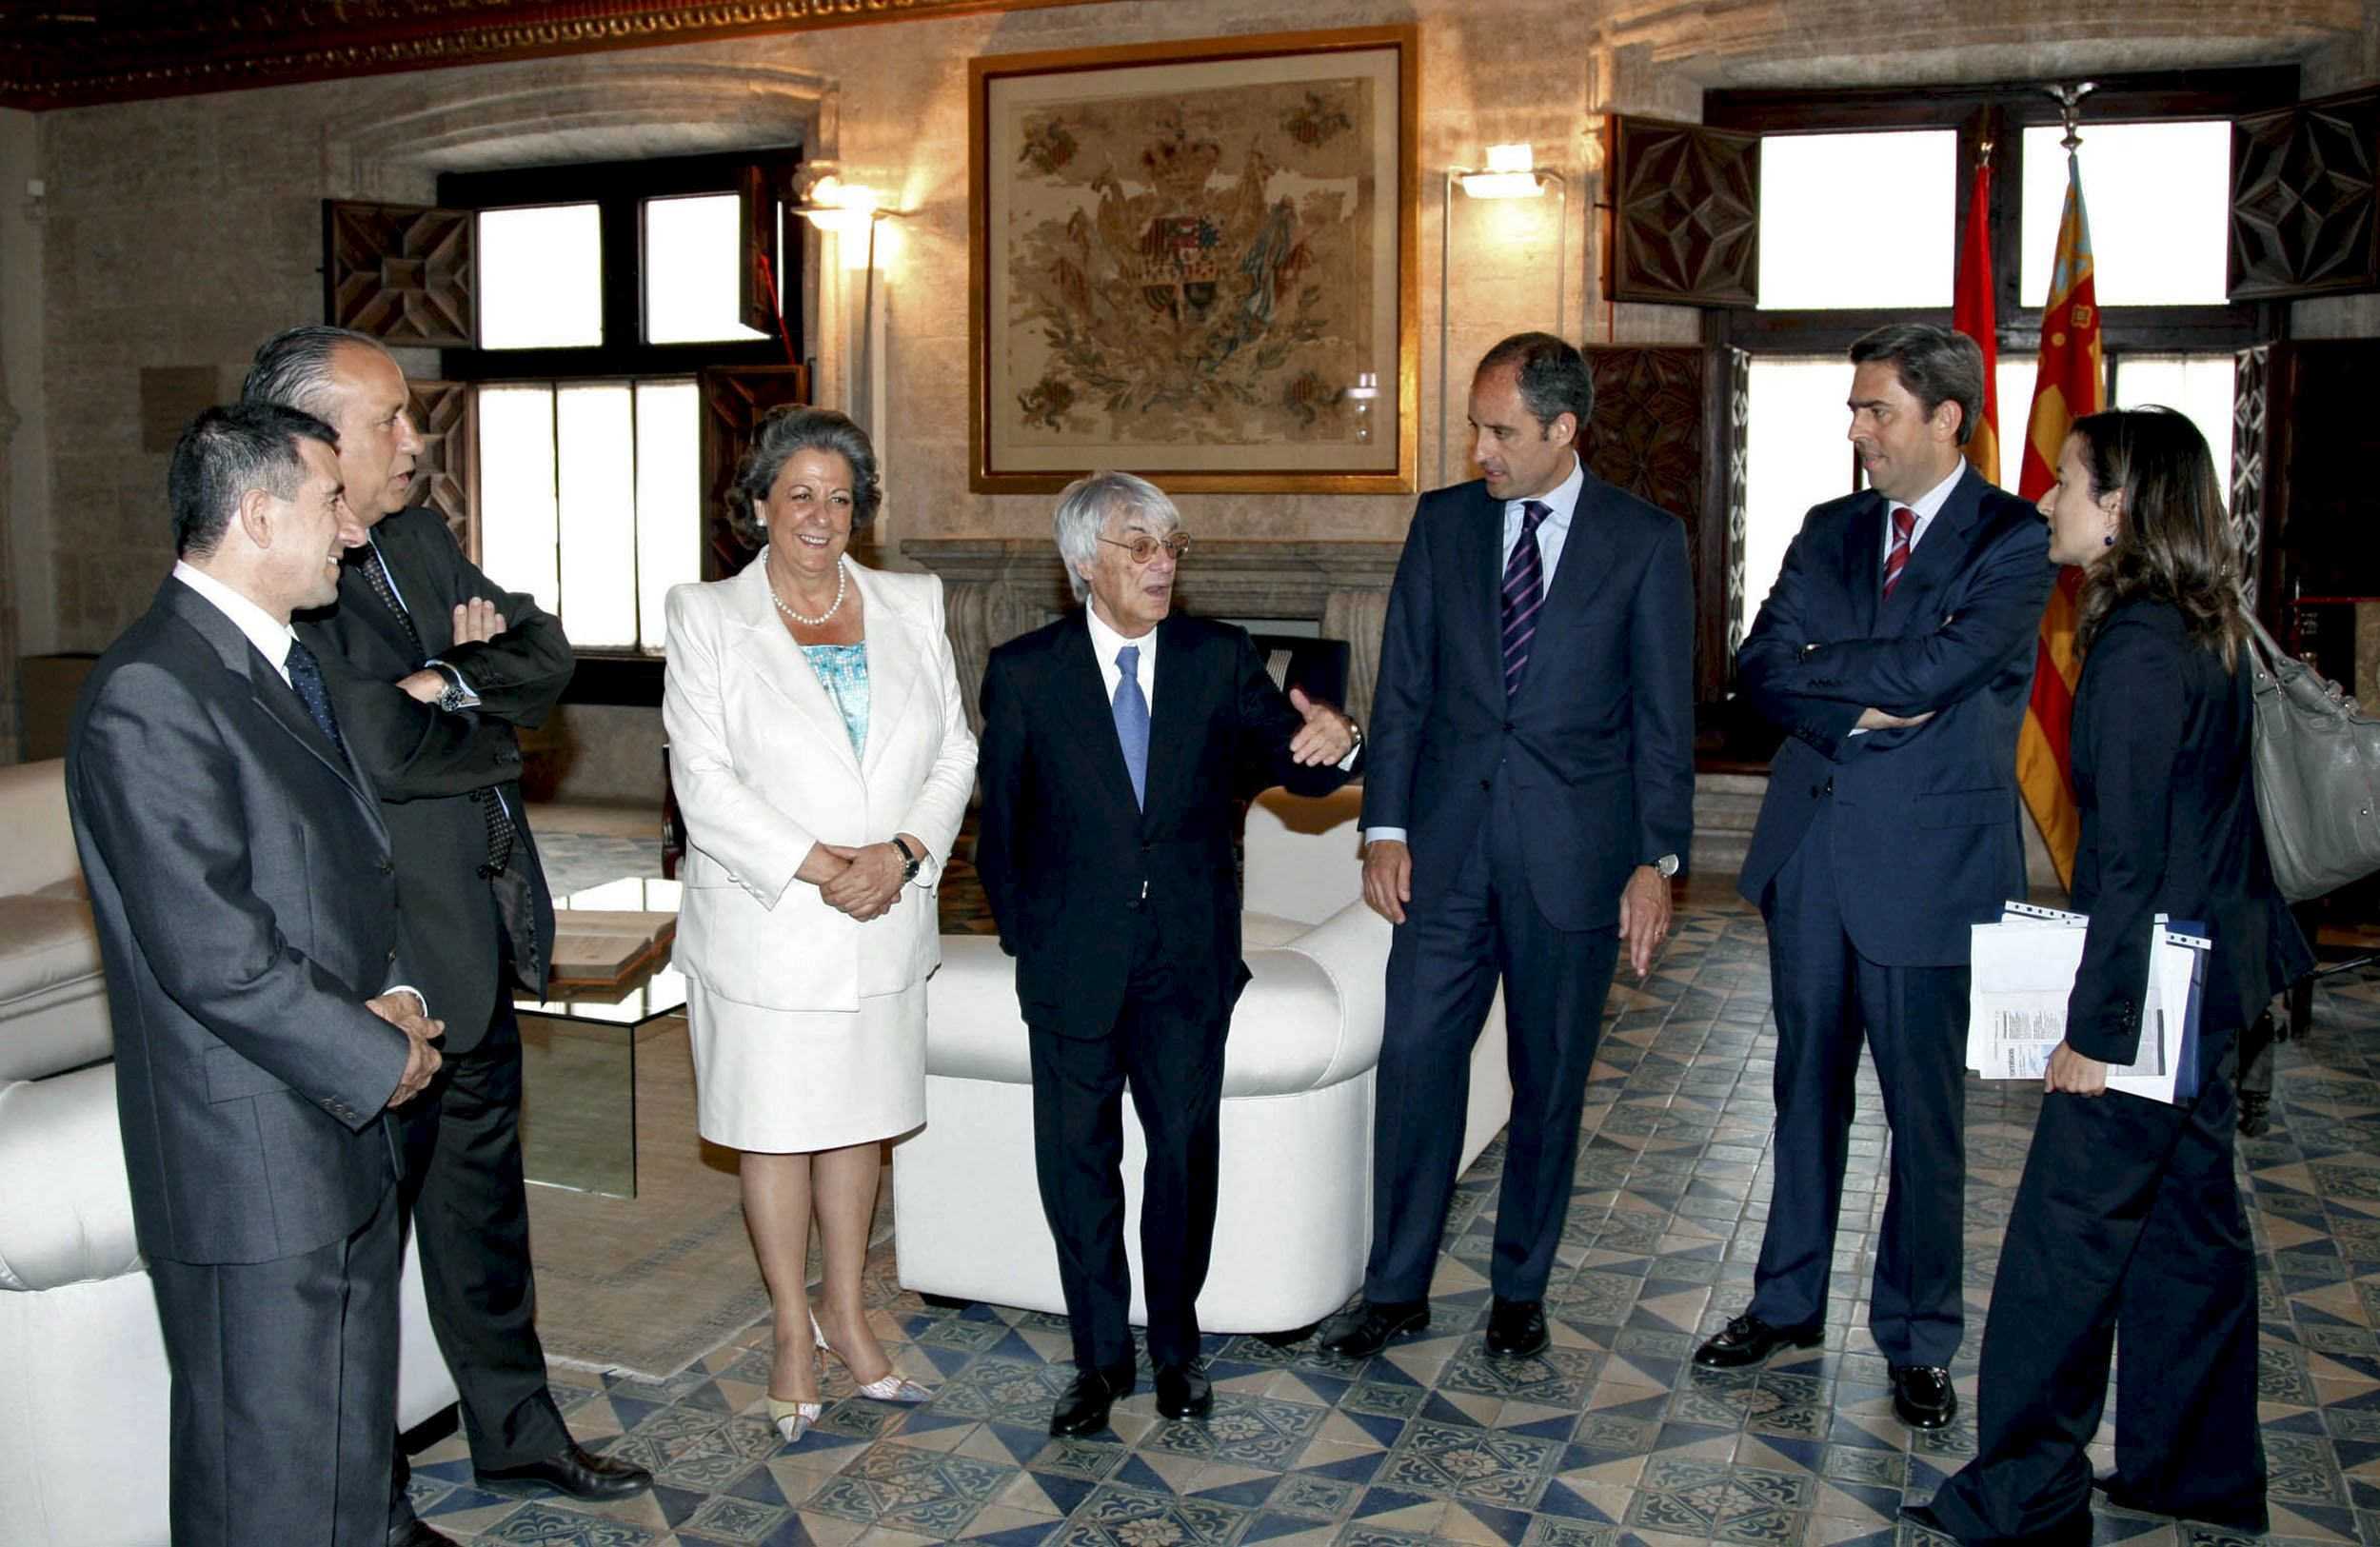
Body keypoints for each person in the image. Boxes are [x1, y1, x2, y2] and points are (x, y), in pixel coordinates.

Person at [241, 326, 650, 1538]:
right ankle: (372, 1500)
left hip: (470, 942)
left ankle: (519, 1436)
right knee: (364, 1255)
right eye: (389, 420)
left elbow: (546, 650)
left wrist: (451, 681)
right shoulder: (287, 566)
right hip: (376, 974)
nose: (414, 441)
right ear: (313, 437)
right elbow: (373, 746)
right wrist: (472, 699)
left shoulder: (415, 534)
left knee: (485, 1223)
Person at [1908, 409, 2313, 1544]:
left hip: (2151, 995)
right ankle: (2196, 1470)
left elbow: (2127, 858)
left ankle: (2025, 1496)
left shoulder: (2136, 643)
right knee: (2189, 1232)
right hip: (2211, 980)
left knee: (2063, 1245)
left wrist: (2096, 1029)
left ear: (2121, 504)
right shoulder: (2202, 619)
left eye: (2067, 482)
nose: (2046, 501)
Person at [66, 402, 446, 1544]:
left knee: (339, 1471)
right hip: (250, 1166)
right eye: (332, 503)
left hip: (329, 1138)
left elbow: (347, 872)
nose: (353, 530)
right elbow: (213, 955)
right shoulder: (153, 689)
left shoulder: (277, 662)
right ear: (258, 513)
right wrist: (376, 1053)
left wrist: (400, 997)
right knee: (268, 1490)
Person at [1703, 323, 2053, 1432]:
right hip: (1810, 853)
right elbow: (1759, 667)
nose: (1856, 430)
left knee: (1923, 1116)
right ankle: (1786, 1301)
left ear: (1945, 418)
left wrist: (1827, 671)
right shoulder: (1830, 527)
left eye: (1876, 411)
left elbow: (1944, 666)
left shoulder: (2012, 537)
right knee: (1802, 1091)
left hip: (1930, 866)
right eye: (1854, 409)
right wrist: (1853, 696)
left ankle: (1917, 1334)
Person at [1319, 332, 1695, 1364]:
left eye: (1501, 432)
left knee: (1549, 1079)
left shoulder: (1644, 540)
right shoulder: (1443, 523)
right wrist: (1384, 827)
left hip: (1574, 861)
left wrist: (1655, 861)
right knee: (1415, 1064)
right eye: (1475, 429)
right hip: (1444, 854)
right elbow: (1404, 685)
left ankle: (1519, 1287)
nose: (1480, 450)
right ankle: (1395, 1287)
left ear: (1562, 429)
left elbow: (1662, 721)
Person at [975, 470, 1359, 1436]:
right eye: (1138, 545)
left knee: (1183, 1158)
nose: (1161, 564)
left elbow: (1303, 769)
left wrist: (1339, 736)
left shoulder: (1217, 657)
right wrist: (1034, 941)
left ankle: (1178, 1349)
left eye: (1171, 545)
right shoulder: (1024, 672)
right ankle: (1099, 1359)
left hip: (1186, 963)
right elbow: (1001, 835)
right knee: (1078, 1166)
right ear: (1082, 563)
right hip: (1072, 966)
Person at [663, 407, 978, 1444]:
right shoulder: (706, 614)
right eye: (798, 494)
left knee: (859, 1121)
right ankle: (790, 1331)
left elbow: (955, 751)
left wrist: (903, 852)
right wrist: (827, 865)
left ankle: (847, 1312)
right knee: (776, 1127)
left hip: (886, 907)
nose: (819, 514)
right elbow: (703, 781)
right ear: (758, 504)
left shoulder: (912, 601)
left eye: (840, 497)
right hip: (770, 921)